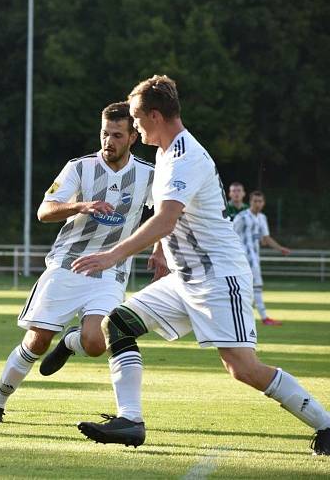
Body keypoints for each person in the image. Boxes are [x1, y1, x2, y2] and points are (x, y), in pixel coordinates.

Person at [71, 75, 329, 455]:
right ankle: (131, 421)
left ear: (156, 115)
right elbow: (167, 217)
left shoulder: (184, 158)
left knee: (243, 368)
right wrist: (160, 251)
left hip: (219, 277)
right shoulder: (164, 153)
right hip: (185, 277)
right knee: (119, 323)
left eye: (138, 118)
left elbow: (165, 218)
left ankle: (325, 424)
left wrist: (113, 255)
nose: (136, 126)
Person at [0, 102, 155, 423]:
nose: (108, 141)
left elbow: (165, 213)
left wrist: (159, 248)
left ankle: (71, 341)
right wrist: (81, 206)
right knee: (36, 341)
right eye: (105, 133)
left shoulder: (148, 174)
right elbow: (45, 211)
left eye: (117, 135)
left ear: (133, 137)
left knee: (95, 343)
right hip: (67, 265)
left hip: (110, 271)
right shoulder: (80, 168)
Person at [233, 191, 291, 326]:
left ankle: (247, 316)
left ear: (263, 203)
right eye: (255, 201)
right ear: (250, 202)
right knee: (253, 287)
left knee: (250, 288)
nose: (257, 204)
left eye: (260, 201)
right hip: (242, 258)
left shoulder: (262, 218)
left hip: (254, 258)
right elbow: (231, 235)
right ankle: (263, 318)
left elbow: (265, 238)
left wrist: (280, 248)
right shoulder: (241, 217)